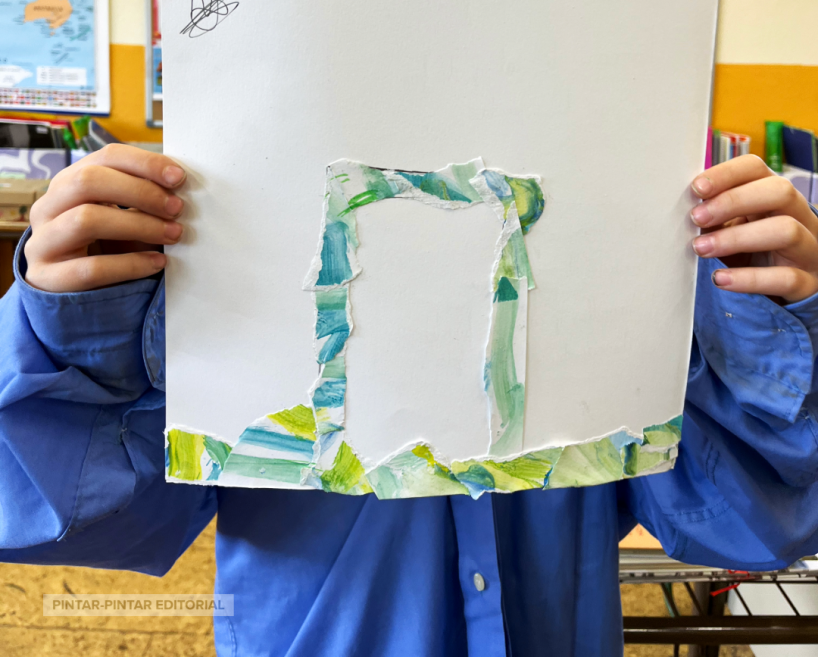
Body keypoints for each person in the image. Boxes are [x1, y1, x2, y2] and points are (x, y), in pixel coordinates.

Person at [2, 145, 818, 656]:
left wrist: (776, 321)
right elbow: (74, 515)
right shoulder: (245, 220)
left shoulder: (611, 222)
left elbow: (748, 522)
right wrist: (75, 323)